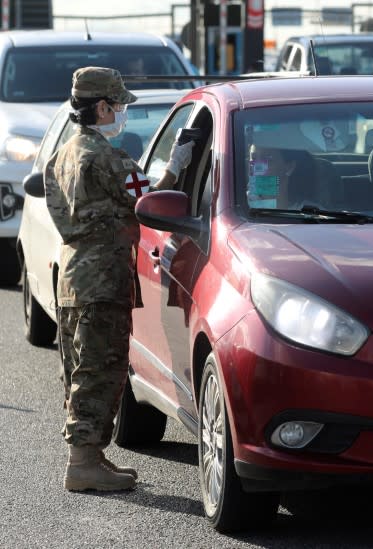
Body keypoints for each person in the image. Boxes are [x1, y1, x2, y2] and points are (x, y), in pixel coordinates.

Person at [44, 66, 195, 491]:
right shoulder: (106, 158)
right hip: (104, 278)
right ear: (103, 106)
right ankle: (83, 464)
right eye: (120, 105)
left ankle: (91, 455)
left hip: (73, 274)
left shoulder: (64, 154)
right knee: (101, 369)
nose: (123, 112)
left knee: (79, 368)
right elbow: (151, 195)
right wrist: (179, 161)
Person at [247, 145, 319, 208]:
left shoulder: (314, 214)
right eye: (253, 158)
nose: (256, 166)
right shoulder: (240, 207)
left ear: (289, 167)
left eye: (267, 159)